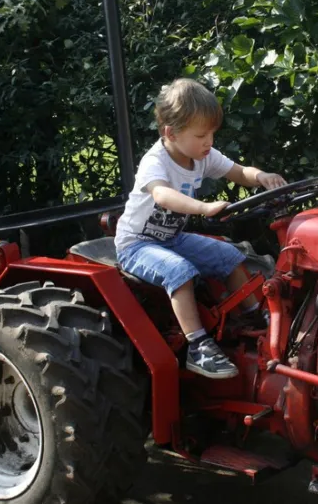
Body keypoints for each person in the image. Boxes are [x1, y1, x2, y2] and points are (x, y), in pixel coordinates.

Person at [115, 77, 287, 379]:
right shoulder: (155, 161)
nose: (209, 142)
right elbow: (162, 195)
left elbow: (238, 171)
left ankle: (257, 317)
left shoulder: (201, 156)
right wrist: (204, 208)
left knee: (231, 256)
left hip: (172, 238)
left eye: (211, 134)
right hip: (136, 245)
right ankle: (198, 346)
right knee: (179, 271)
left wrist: (262, 176)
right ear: (171, 133)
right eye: (201, 135)